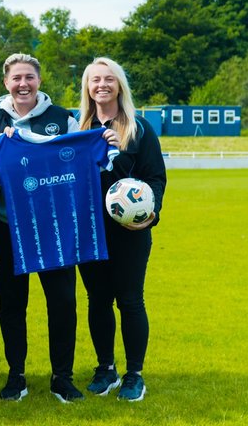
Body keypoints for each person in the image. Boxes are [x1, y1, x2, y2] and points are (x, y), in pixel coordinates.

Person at [0, 53, 84, 403]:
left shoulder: (63, 120)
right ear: (5, 82)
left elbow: (80, 165)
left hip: (52, 230)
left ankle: (62, 377)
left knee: (62, 303)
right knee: (12, 304)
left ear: (39, 81)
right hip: (4, 229)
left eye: (29, 77)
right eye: (16, 78)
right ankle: (16, 376)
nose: (23, 84)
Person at [76, 57, 167, 402]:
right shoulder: (78, 129)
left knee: (130, 300)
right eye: (95, 79)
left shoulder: (138, 128)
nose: (102, 84)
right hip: (89, 231)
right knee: (97, 300)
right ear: (87, 87)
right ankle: (106, 369)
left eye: (109, 79)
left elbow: (155, 177)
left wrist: (151, 212)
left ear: (119, 85)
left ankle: (134, 374)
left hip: (130, 232)